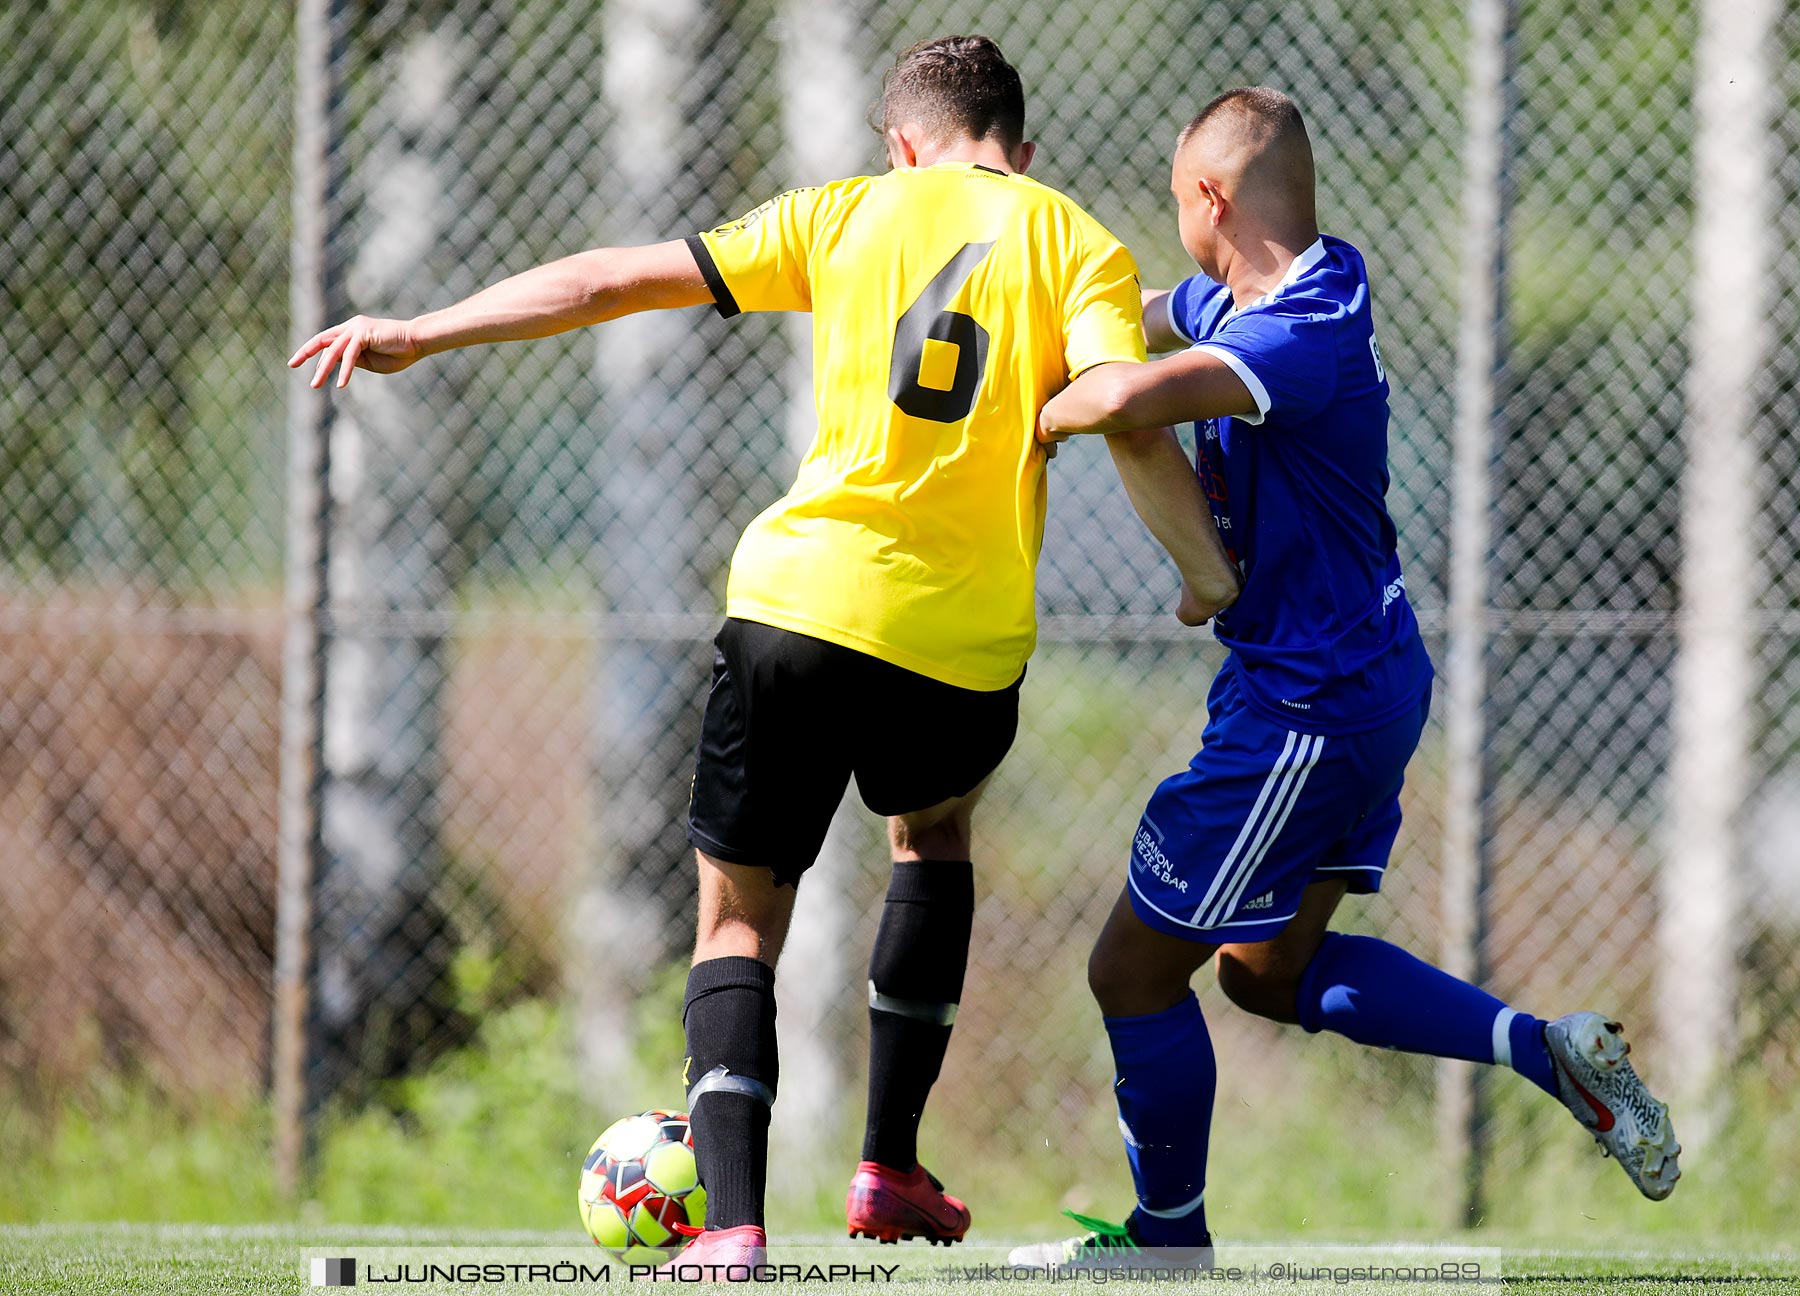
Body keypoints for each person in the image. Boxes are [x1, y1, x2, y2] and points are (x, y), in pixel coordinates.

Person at [289, 36, 1241, 1268]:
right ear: (1023, 146)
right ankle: (888, 1165)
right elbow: (1127, 412)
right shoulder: (1078, 242)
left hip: (800, 609)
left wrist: (424, 330)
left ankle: (731, 1226)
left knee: (738, 926)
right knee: (932, 836)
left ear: (901, 143)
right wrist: (1206, 571)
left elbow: (611, 280)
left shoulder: (844, 214)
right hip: (962, 643)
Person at [1011, 87, 1681, 1269]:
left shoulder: (1297, 338)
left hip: (1305, 708)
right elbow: (1152, 310)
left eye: (1178, 199)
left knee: (1130, 967)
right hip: (1363, 680)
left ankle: (1168, 1246)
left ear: (1211, 197)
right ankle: (1548, 1050)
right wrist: (1068, 301)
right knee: (1269, 978)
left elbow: (1121, 397)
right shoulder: (1303, 282)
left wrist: (1017, 409)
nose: (1175, 220)